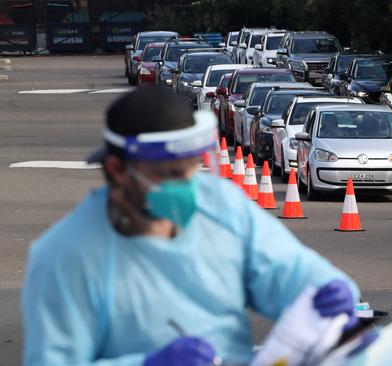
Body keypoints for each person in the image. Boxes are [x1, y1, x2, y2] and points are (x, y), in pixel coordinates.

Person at [22, 87, 359, 366]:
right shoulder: (63, 257)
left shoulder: (220, 204)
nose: (185, 187)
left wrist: (327, 289)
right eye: (166, 174)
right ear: (117, 170)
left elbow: (290, 271)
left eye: (189, 170)